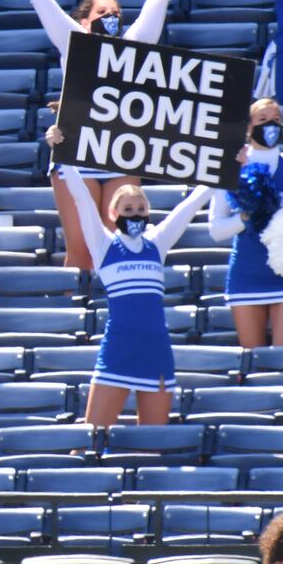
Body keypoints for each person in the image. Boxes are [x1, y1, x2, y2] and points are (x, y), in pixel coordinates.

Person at [0, 0, 177, 270]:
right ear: (83, 21)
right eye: (101, 14)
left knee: (119, 249)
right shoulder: (72, 42)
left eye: (115, 15)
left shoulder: (133, 48)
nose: (110, 19)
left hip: (121, 151)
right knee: (80, 253)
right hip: (76, 152)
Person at [51, 152, 212, 428]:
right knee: (92, 437)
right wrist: (61, 153)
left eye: (140, 210)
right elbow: (82, 199)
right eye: (127, 210)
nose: (135, 215)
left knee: (151, 443)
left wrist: (224, 167)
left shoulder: (157, 243)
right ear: (113, 214)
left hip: (156, 348)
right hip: (118, 348)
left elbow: (190, 206)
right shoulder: (103, 245)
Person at [210, 98, 283, 347]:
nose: (270, 125)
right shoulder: (231, 167)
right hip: (246, 271)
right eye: (262, 120)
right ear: (248, 128)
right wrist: (248, 216)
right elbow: (216, 229)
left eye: (276, 120)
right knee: (254, 357)